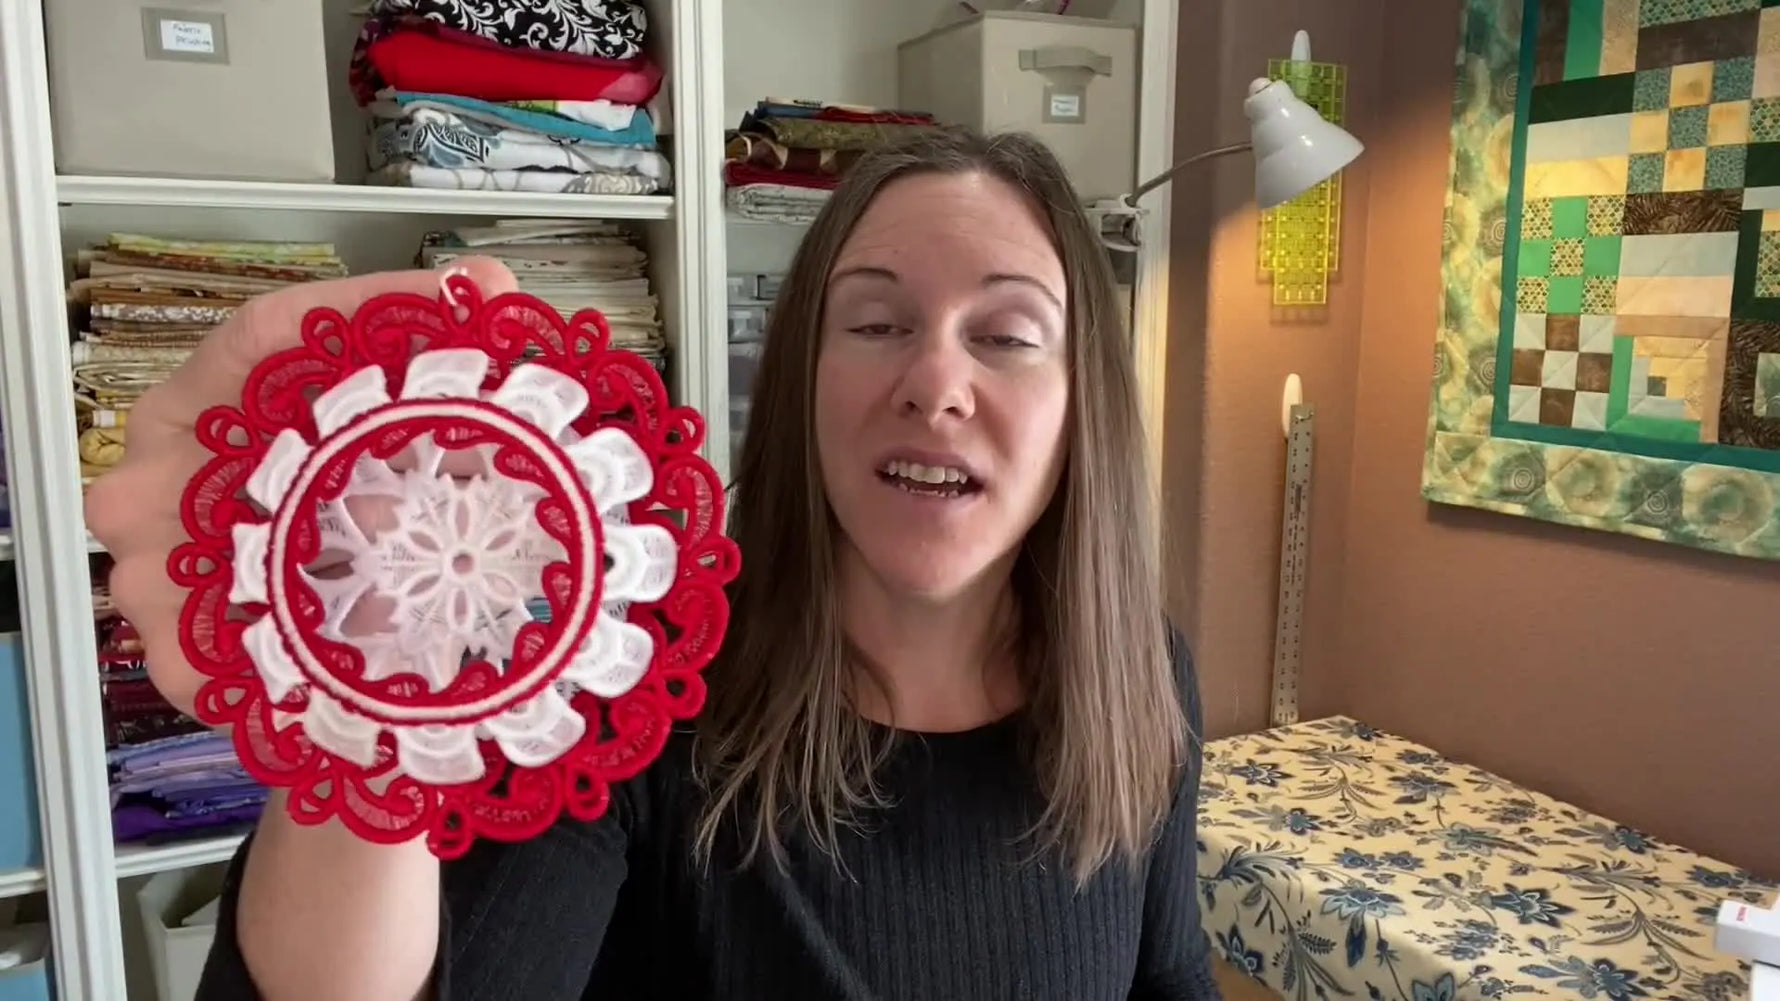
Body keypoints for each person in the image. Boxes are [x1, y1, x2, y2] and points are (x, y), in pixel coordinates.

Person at [86, 126, 1221, 1001]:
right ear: (797, 380)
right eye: (873, 323)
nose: (934, 381)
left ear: (1086, 407)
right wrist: (357, 687)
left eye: (1006, 335)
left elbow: (1169, 978)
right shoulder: (636, 681)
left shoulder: (1143, 673)